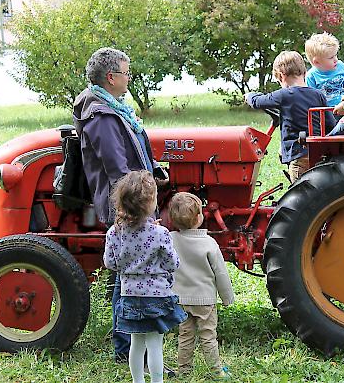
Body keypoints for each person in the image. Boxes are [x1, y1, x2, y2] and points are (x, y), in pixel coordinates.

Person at [73, 47, 164, 362]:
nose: (129, 77)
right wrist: (141, 204)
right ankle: (125, 347)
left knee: (128, 273)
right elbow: (116, 166)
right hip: (126, 201)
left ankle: (128, 340)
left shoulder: (115, 108)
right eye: (126, 72)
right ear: (111, 78)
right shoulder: (101, 114)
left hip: (135, 194)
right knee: (127, 275)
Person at [103, 170, 187, 383]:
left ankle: (137, 381)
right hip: (156, 297)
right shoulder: (160, 233)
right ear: (150, 202)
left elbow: (110, 263)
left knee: (136, 344)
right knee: (154, 345)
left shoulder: (114, 232)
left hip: (129, 296)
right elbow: (172, 263)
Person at [169, 192, 235, 378]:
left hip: (182, 299)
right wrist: (227, 298)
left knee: (185, 336)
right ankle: (216, 371)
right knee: (208, 336)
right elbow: (220, 273)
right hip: (205, 300)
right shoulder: (208, 243)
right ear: (199, 218)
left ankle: (184, 371)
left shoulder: (171, 240)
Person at [245, 51, 336, 180]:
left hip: (298, 154)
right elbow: (330, 123)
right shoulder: (318, 94)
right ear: (304, 72)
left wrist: (249, 96)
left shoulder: (284, 95)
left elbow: (258, 102)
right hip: (319, 152)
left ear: (281, 76)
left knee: (301, 191)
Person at [304, 32, 344, 108]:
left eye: (335, 55)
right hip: (330, 112)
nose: (336, 59)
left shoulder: (340, 65)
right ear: (317, 62)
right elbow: (313, 101)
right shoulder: (311, 76)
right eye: (331, 58)